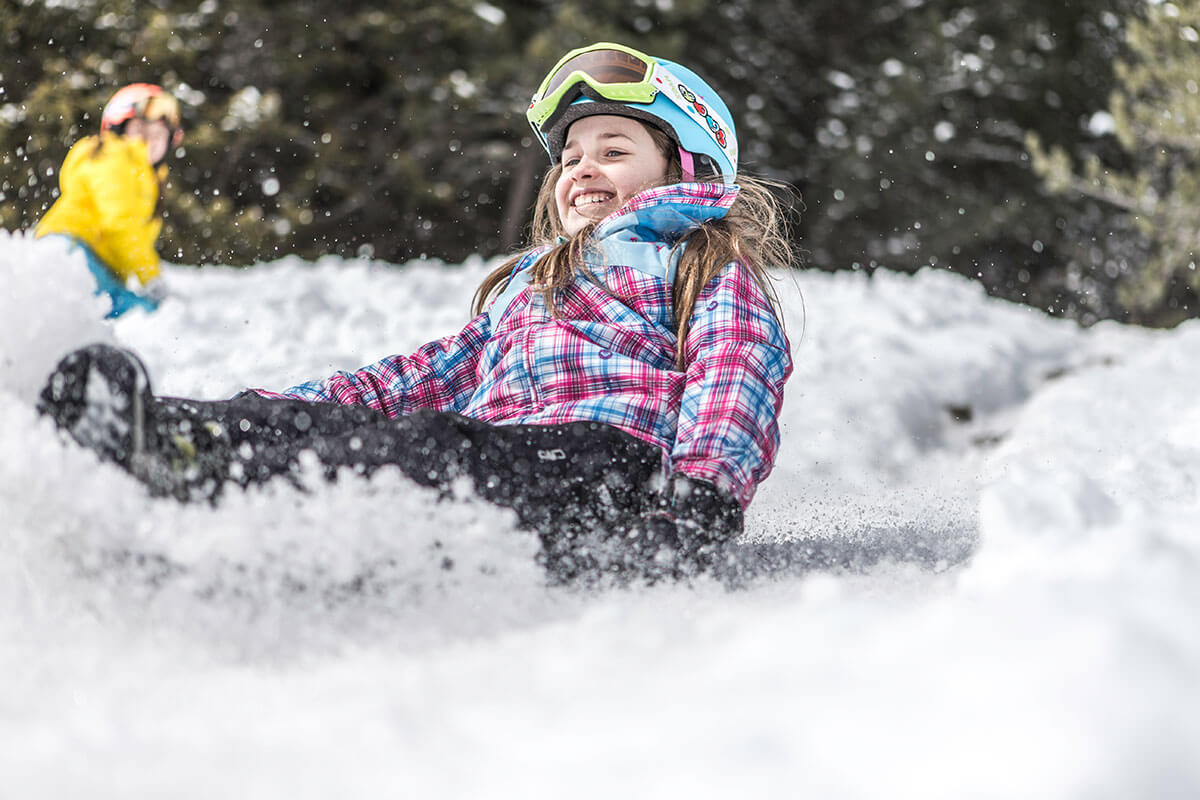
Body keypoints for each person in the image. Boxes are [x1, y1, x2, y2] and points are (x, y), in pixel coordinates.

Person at [37, 43, 796, 584]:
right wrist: (283, 408)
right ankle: (168, 437)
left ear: (684, 167)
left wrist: (703, 494)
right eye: (570, 158)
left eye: (614, 150)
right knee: (374, 433)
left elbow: (737, 369)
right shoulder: (533, 288)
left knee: (429, 452)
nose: (583, 169)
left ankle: (207, 487)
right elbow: (421, 377)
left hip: (615, 477)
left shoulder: (696, 262)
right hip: (502, 459)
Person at [36, 83, 184, 318]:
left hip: (83, 258)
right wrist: (151, 277)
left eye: (157, 134)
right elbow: (121, 224)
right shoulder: (114, 156)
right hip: (75, 253)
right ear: (117, 129)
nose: (147, 140)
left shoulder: (144, 175)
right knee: (141, 313)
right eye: (139, 130)